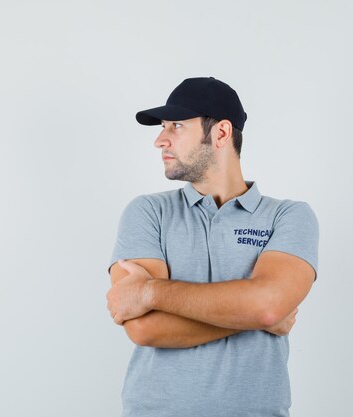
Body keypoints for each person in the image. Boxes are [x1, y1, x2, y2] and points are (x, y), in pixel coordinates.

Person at [106, 76, 319, 417]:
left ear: (221, 133)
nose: (160, 140)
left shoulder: (289, 216)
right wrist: (256, 314)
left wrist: (150, 293)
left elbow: (268, 307)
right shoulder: (147, 212)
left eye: (176, 126)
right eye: (162, 127)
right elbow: (145, 328)